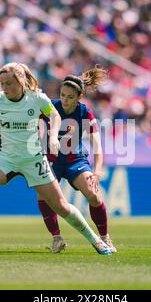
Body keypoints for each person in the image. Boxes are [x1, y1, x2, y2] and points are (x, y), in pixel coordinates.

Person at [0, 62, 113, 255]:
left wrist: (52, 136)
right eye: (2, 84)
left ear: (21, 81)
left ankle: (97, 241)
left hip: (34, 160)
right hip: (6, 159)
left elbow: (55, 116)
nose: (5, 88)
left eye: (9, 83)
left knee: (62, 207)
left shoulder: (37, 99)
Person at [38, 65, 117, 253]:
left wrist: (97, 171)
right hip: (52, 161)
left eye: (70, 97)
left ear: (79, 97)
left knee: (93, 194)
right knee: (43, 196)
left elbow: (97, 146)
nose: (65, 100)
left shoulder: (85, 113)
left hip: (76, 161)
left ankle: (105, 237)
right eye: (63, 95)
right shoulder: (50, 107)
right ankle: (57, 238)